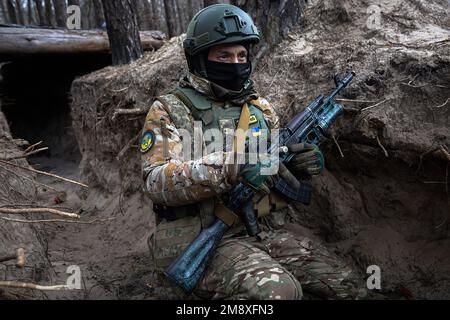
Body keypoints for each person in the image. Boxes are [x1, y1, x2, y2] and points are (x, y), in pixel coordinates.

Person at [141, 4, 365, 300]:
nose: (235, 63)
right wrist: (230, 167)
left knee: (351, 287)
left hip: (262, 229)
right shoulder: (170, 109)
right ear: (200, 58)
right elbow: (156, 182)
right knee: (281, 293)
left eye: (241, 55)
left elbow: (268, 170)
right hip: (205, 236)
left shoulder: (260, 109)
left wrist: (293, 164)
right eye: (224, 55)